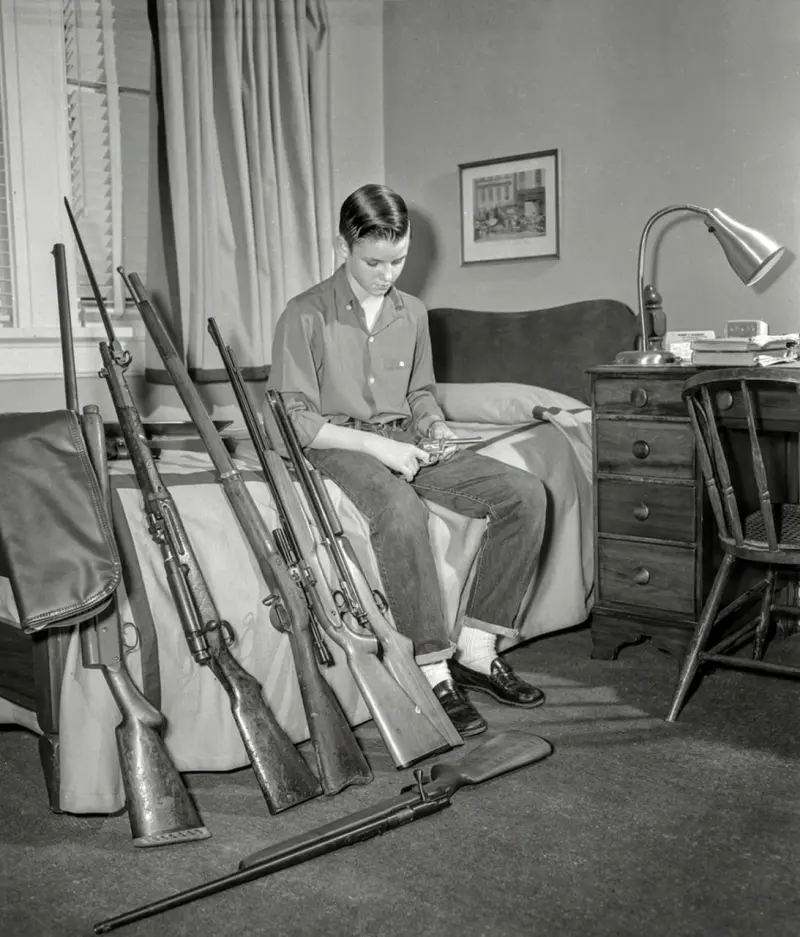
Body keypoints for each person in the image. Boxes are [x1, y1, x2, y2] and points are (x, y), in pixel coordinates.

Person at [267, 183, 547, 738]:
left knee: (528, 495)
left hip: (404, 436)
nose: (387, 274)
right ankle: (434, 669)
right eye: (374, 261)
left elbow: (420, 392)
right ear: (342, 246)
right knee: (400, 513)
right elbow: (293, 419)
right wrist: (377, 446)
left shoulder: (413, 313)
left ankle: (475, 648)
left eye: (399, 259)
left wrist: (436, 426)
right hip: (337, 442)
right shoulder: (304, 315)